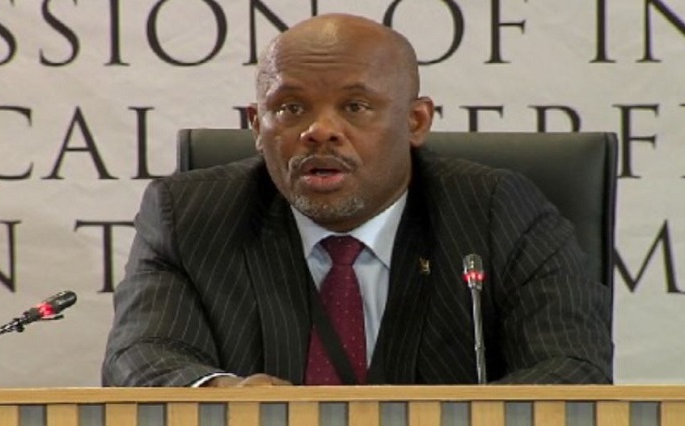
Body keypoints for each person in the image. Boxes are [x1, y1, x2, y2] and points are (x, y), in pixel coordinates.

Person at [102, 13, 613, 387]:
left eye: (355, 106)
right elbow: (140, 356)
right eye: (291, 108)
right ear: (257, 126)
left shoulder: (499, 212)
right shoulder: (190, 214)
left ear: (416, 122)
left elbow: (572, 367)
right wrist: (222, 393)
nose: (320, 131)